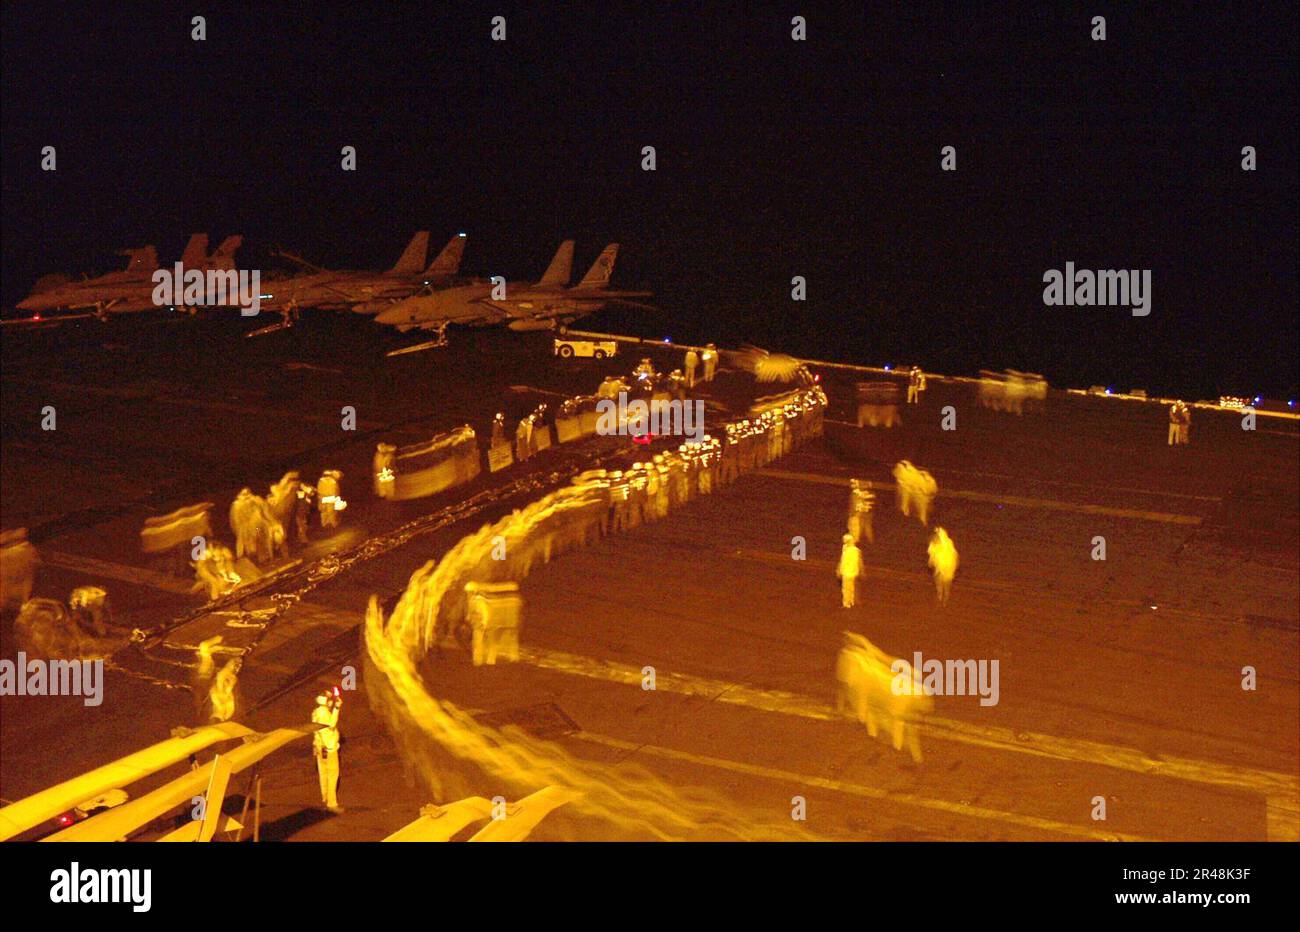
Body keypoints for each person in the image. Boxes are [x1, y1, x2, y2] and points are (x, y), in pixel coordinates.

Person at [312, 689, 342, 811]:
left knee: (323, 774)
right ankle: (332, 803)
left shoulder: (315, 712)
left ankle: (324, 797)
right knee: (332, 775)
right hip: (329, 749)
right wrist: (337, 708)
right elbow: (332, 724)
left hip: (320, 748)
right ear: (328, 702)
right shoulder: (325, 714)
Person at [927, 527, 958, 605]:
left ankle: (943, 596)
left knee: (944, 583)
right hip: (944, 568)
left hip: (946, 567)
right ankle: (941, 596)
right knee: (941, 582)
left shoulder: (946, 544)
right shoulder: (943, 544)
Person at [836, 533, 864, 608]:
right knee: (851, 587)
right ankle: (851, 601)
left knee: (846, 588)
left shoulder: (848, 550)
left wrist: (840, 569)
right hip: (853, 571)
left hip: (847, 571)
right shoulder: (856, 550)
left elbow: (843, 561)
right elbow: (859, 561)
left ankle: (846, 603)